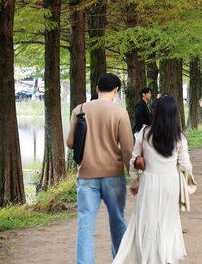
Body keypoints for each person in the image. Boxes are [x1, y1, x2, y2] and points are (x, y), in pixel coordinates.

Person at [113, 96, 192, 264]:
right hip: (171, 183)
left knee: (146, 222)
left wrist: (134, 182)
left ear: (155, 113)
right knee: (167, 222)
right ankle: (165, 257)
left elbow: (134, 161)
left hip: (149, 182)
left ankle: (147, 258)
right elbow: (186, 166)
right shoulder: (179, 138)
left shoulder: (144, 133)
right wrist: (185, 183)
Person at [66, 73, 134, 264]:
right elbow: (128, 149)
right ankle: (121, 261)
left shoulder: (79, 110)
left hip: (86, 175)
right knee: (117, 220)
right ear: (116, 90)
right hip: (113, 175)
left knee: (85, 225)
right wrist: (134, 176)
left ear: (96, 89)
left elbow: (70, 143)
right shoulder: (120, 113)